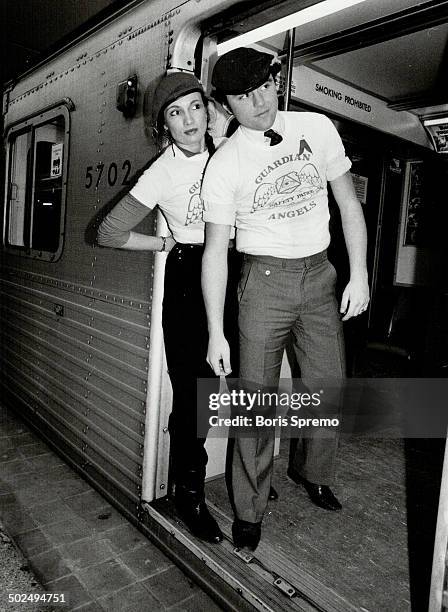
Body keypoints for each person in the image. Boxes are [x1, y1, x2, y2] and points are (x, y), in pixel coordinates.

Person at [201, 47, 370, 551]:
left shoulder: (316, 128)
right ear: (226, 104)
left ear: (277, 81)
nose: (258, 101)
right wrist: (216, 330)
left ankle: (312, 472)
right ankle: (249, 510)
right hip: (264, 283)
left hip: (319, 275)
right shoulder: (225, 163)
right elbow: (215, 251)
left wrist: (358, 274)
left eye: (264, 86)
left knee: (327, 385)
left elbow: (347, 202)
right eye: (242, 96)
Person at [97, 72, 240, 544]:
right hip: (190, 279)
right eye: (174, 114)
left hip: (240, 268)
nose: (188, 120)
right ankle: (189, 493)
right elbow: (108, 231)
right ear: (163, 126)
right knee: (197, 395)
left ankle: (247, 482)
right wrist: (165, 241)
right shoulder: (162, 171)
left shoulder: (232, 153)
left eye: (194, 107)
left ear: (209, 109)